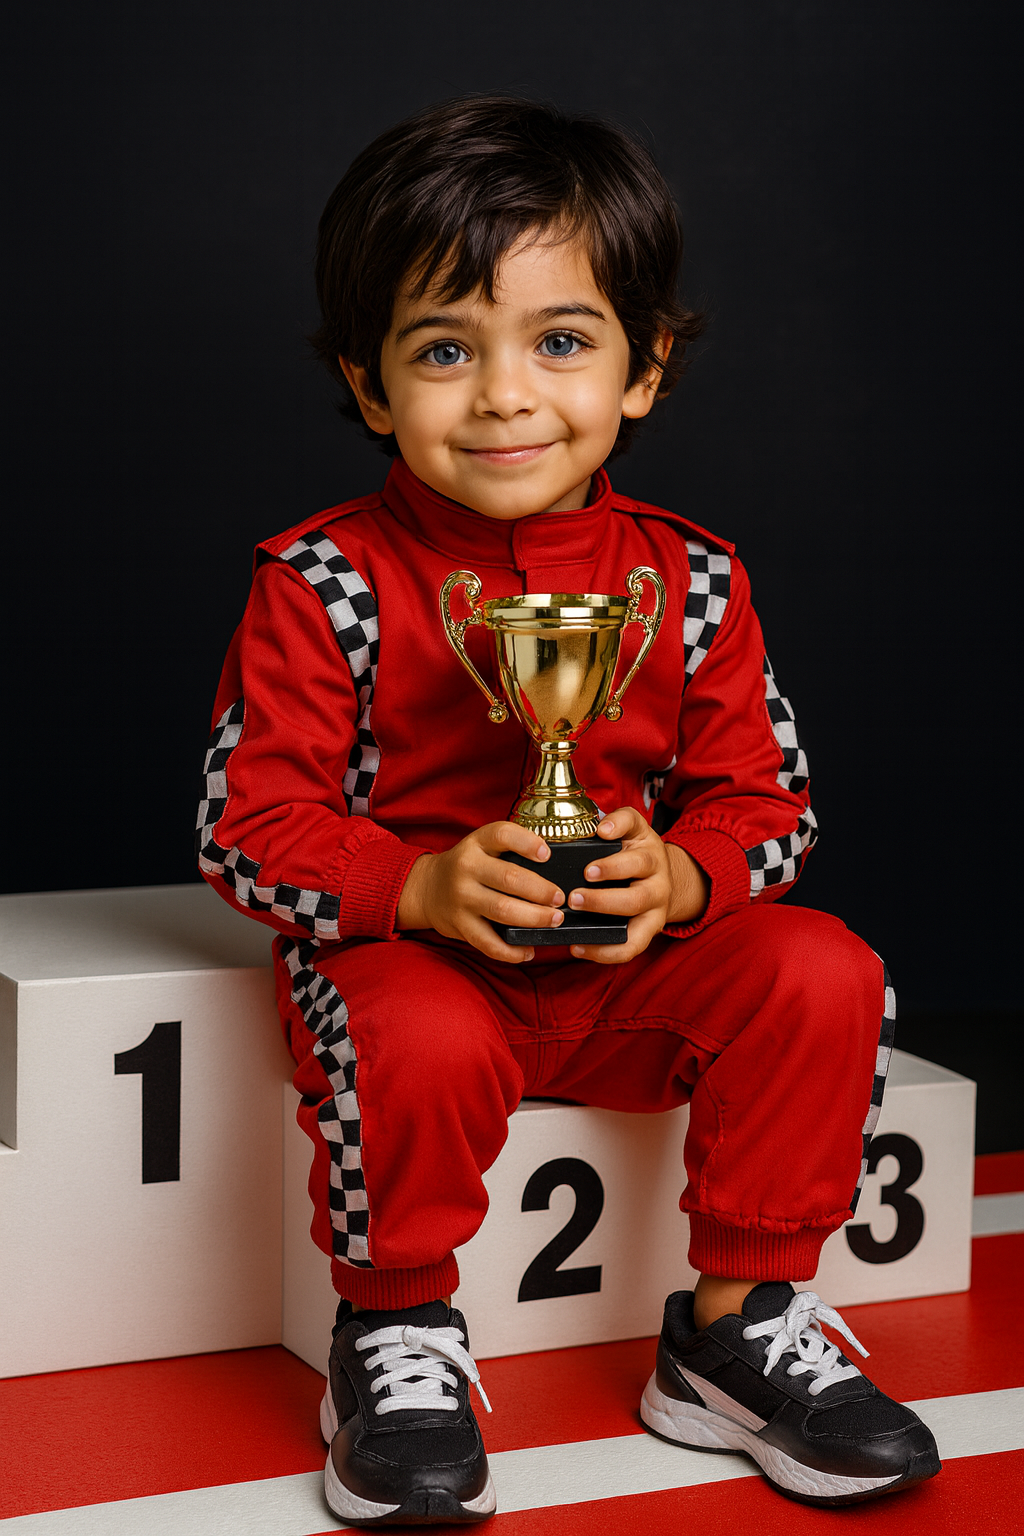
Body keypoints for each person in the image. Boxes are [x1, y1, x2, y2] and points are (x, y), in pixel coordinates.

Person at [198, 95, 940, 1525]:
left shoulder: (696, 579)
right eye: (441, 350)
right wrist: (412, 890)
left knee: (821, 965)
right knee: (405, 1020)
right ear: (368, 387)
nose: (501, 395)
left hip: (628, 986)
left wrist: (682, 884)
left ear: (643, 367)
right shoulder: (321, 580)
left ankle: (736, 1329)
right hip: (419, 981)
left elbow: (766, 804)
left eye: (559, 340)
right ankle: (397, 1336)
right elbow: (247, 827)